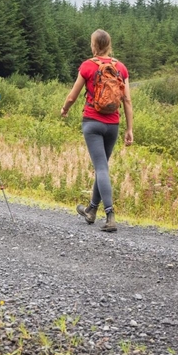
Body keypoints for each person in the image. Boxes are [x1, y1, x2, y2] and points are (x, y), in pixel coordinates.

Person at [60, 29, 134, 233]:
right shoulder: (121, 68)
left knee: (101, 168)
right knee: (102, 166)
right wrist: (129, 129)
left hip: (92, 122)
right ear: (109, 45)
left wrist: (65, 109)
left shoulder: (87, 66)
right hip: (113, 124)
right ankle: (92, 210)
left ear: (93, 45)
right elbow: (127, 100)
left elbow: (73, 96)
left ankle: (110, 215)